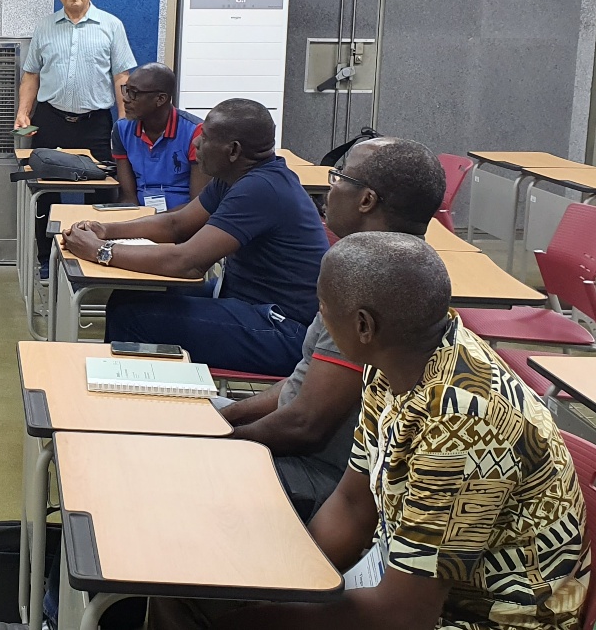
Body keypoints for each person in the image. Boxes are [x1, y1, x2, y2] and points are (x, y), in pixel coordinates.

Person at [149, 232, 590, 630]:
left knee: (209, 607)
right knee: (181, 584)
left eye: (324, 308)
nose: (319, 316)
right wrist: (282, 584)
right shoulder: (395, 361)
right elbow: (353, 505)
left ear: (363, 325)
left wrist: (253, 618)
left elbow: (403, 616)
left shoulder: (462, 425)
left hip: (482, 616)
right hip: (401, 578)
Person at [223, 137, 446, 521]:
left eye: (339, 176)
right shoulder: (375, 268)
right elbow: (300, 384)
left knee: (171, 469)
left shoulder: (376, 288)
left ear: (367, 200)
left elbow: (305, 425)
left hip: (318, 475)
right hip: (312, 462)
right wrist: (228, 416)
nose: (330, 187)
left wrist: (219, 439)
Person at [62, 99, 326, 377]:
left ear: (233, 150)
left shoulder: (261, 188)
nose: (196, 142)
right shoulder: (234, 177)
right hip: (245, 301)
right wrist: (106, 230)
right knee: (127, 299)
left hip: (284, 329)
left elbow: (187, 263)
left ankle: (138, 396)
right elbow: (176, 225)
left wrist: (101, 251)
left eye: (206, 137)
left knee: (135, 318)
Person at [15, 0, 138, 276]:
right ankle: (46, 260)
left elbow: (122, 77)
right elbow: (31, 75)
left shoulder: (111, 26)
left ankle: (96, 257)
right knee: (44, 192)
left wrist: (124, 123)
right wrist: (23, 112)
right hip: (51, 120)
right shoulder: (45, 27)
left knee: (103, 191)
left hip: (95, 124)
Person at [109, 63, 206, 212]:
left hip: (183, 217)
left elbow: (198, 206)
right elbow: (128, 197)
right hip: (140, 216)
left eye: (134, 93)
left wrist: (156, 221)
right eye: (126, 90)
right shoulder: (122, 129)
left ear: (160, 99)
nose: (125, 99)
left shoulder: (195, 132)